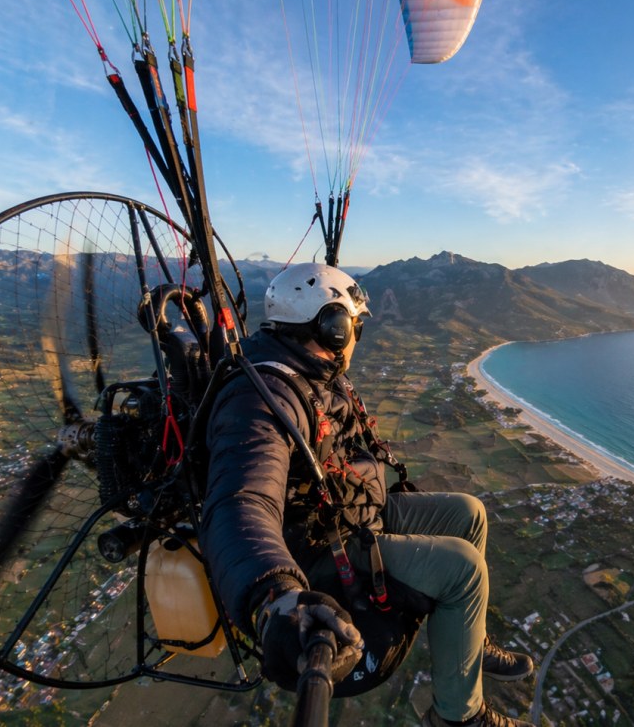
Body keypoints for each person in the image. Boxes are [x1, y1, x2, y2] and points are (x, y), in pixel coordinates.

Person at [200, 262, 536, 727]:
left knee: (469, 513)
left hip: (346, 509)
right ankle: (460, 717)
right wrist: (274, 595)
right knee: (463, 570)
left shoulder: (311, 368)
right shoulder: (262, 398)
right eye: (354, 325)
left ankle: (468, 645)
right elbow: (241, 501)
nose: (358, 334)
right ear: (333, 327)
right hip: (314, 544)